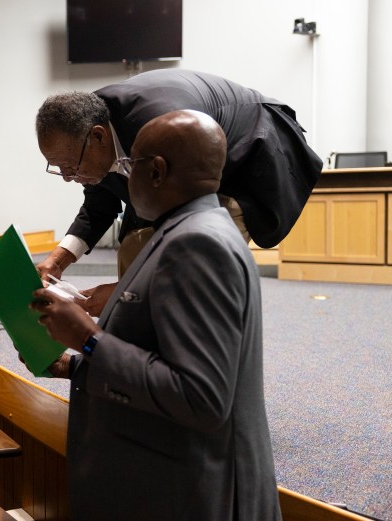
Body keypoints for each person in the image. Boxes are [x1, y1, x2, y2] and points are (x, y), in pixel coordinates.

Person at [29, 110, 281, 520]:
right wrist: (75, 365)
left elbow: (202, 397)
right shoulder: (183, 230)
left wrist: (89, 338)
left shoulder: (198, 245)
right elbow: (160, 355)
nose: (124, 176)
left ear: (157, 172)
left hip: (195, 496)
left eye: (130, 165)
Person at [35, 68, 323, 314]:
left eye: (71, 167)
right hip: (178, 168)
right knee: (134, 247)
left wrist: (122, 292)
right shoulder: (84, 126)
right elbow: (100, 205)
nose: (69, 178)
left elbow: (187, 231)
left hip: (245, 154)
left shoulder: (162, 127)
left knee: (200, 267)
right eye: (59, 168)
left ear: (98, 136)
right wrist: (57, 261)